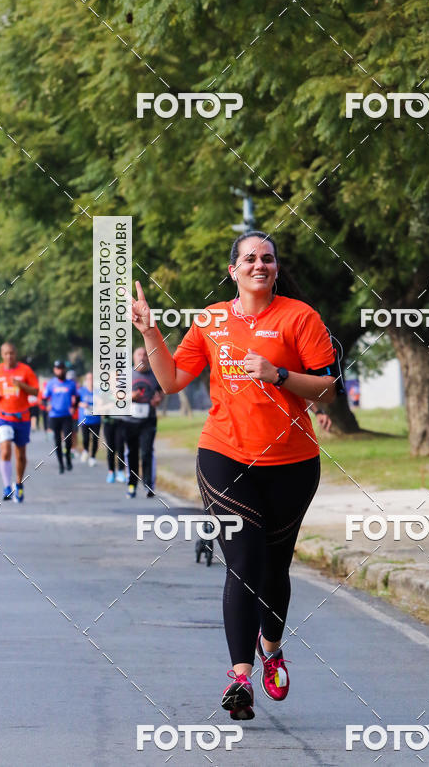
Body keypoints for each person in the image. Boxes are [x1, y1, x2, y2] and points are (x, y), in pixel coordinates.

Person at [130, 231, 340, 721]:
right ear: (234, 270)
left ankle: (272, 645)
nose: (259, 265)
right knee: (242, 563)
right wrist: (149, 333)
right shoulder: (210, 321)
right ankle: (240, 678)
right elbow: (172, 380)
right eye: (249, 259)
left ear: (276, 268)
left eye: (267, 258)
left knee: (275, 568)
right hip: (225, 456)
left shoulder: (300, 317)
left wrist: (279, 375)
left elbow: (328, 389)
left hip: (291, 462)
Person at [0, 342, 39, 503]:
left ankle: (19, 483)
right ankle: (7, 487)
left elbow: (35, 391)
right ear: (2, 354)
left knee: (21, 455)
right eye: (6, 353)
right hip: (2, 416)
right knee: (5, 450)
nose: (9, 356)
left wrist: (21, 385)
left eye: (12, 353)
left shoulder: (25, 370)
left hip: (21, 418)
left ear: (16, 354)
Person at [120, 347, 163, 499]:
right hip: (129, 421)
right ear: (134, 357)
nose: (142, 357)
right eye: (139, 354)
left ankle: (148, 485)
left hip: (148, 421)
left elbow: (160, 394)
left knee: (146, 452)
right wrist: (129, 396)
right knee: (131, 453)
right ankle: (131, 485)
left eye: (145, 355)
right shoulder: (126, 375)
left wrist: (158, 400)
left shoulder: (155, 375)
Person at [43, 361, 78, 474]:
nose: (60, 370)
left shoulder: (71, 384)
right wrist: (46, 405)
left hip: (67, 416)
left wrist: (73, 406)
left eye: (62, 368)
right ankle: (61, 464)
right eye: (58, 368)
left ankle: (67, 457)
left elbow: (77, 397)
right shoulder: (51, 384)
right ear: (55, 370)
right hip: (54, 416)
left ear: (64, 370)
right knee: (57, 441)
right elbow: (43, 398)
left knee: (68, 440)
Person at [77, 372, 101, 466]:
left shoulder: (98, 391)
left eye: (91, 379)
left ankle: (93, 457)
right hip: (85, 419)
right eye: (88, 379)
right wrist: (82, 404)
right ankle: (86, 450)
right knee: (86, 438)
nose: (90, 381)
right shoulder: (81, 391)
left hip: (96, 419)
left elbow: (102, 401)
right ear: (85, 380)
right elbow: (76, 403)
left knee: (95, 439)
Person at [102, 416, 126, 483]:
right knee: (110, 449)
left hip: (121, 422)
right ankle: (111, 471)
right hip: (108, 423)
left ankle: (121, 471)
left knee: (120, 447)